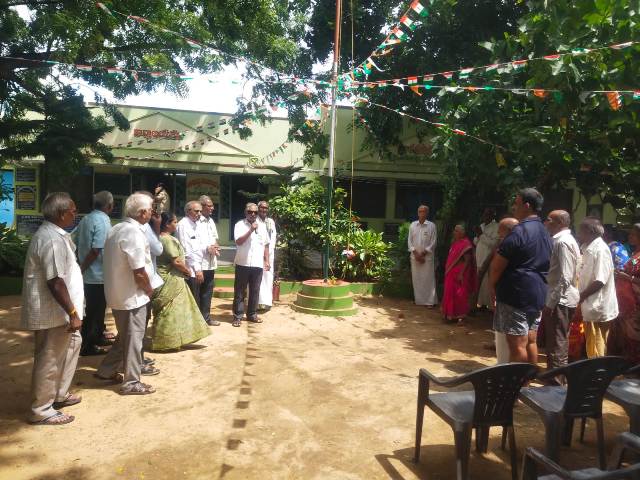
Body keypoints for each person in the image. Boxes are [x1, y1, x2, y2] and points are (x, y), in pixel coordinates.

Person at [22, 192, 83, 425]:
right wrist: (72, 313)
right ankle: (41, 410)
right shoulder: (51, 239)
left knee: (68, 348)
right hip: (53, 312)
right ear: (61, 213)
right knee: (49, 358)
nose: (75, 214)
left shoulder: (56, 235)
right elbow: (55, 281)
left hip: (61, 311)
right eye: (73, 211)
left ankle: (58, 394)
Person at [96, 192, 157, 395]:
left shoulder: (117, 228)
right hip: (132, 296)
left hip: (118, 293)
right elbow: (139, 271)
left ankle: (106, 370)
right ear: (142, 213)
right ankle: (131, 382)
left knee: (125, 337)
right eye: (150, 210)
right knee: (134, 340)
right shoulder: (133, 233)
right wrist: (149, 290)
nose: (152, 213)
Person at [490, 188, 552, 363]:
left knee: (517, 345)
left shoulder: (520, 231)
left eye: (516, 203)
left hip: (516, 294)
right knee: (531, 340)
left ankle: (518, 380)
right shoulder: (545, 232)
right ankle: (530, 378)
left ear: (527, 205)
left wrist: (492, 286)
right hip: (538, 292)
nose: (513, 207)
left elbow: (497, 266)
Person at [149, 213, 210, 350]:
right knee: (171, 309)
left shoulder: (158, 238)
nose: (177, 224)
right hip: (170, 278)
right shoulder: (168, 240)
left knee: (171, 309)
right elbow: (176, 261)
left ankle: (171, 340)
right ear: (167, 224)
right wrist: (187, 271)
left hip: (162, 278)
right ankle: (167, 342)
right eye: (175, 222)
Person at [74, 190, 113, 356]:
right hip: (97, 274)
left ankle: (97, 336)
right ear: (109, 206)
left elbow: (73, 241)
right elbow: (96, 249)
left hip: (90, 275)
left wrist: (80, 265)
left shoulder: (86, 219)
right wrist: (82, 267)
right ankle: (87, 345)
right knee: (94, 310)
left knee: (96, 309)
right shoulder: (103, 220)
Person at [542, 210, 581, 377]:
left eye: (549, 220)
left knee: (557, 342)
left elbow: (566, 276)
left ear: (559, 223)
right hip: (560, 298)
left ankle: (556, 381)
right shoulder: (561, 240)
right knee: (555, 341)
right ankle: (554, 377)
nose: (545, 223)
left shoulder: (563, 242)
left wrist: (551, 302)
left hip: (560, 300)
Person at [577, 217, 619, 358]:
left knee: (596, 345)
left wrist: (581, 296)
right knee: (592, 344)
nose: (578, 234)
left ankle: (598, 371)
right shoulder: (587, 248)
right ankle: (596, 369)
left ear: (589, 232)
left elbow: (600, 280)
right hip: (590, 305)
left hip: (597, 306)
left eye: (580, 231)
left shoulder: (600, 249)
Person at [233, 203, 270, 327]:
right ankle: (237, 316)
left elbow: (266, 244)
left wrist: (267, 260)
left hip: (257, 264)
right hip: (242, 263)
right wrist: (250, 230)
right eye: (250, 212)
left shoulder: (262, 226)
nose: (253, 214)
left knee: (255, 291)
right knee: (240, 291)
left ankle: (252, 315)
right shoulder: (239, 225)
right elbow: (239, 241)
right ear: (245, 212)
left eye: (255, 212)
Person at [608, 223, 640, 363]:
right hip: (625, 302)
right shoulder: (635, 253)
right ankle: (624, 363)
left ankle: (634, 365)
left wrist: (627, 277)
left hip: (635, 304)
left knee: (633, 334)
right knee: (623, 335)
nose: (629, 236)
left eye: (633, 234)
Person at [493, 217, 519, 364]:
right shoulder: (525, 243)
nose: (498, 235)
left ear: (509, 231)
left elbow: (497, 269)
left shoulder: (509, 244)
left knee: (505, 335)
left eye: (500, 232)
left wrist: (492, 287)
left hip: (508, 295)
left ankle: (503, 366)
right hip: (516, 294)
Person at [441, 225, 477, 324]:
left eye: (456, 231)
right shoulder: (455, 243)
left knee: (459, 295)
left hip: (459, 274)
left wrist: (461, 273)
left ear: (462, 233)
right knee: (449, 293)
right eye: (454, 230)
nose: (454, 232)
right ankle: (449, 315)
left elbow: (467, 260)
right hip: (450, 273)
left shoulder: (466, 244)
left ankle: (461, 317)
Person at [196, 195, 220, 326]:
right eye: (209, 206)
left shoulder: (211, 221)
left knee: (208, 292)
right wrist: (207, 248)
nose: (212, 208)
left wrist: (216, 247)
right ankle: (197, 321)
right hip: (199, 264)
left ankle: (206, 318)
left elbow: (215, 238)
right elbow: (193, 243)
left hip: (211, 263)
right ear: (202, 206)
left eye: (212, 205)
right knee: (197, 293)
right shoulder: (195, 222)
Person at [408, 205, 438, 307]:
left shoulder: (431, 226)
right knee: (417, 279)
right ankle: (419, 301)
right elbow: (409, 241)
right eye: (420, 211)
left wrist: (423, 254)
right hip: (415, 257)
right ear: (418, 213)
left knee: (428, 279)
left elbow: (433, 242)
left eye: (423, 211)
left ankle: (430, 302)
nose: (421, 213)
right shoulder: (413, 225)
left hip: (427, 258)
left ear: (427, 213)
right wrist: (416, 254)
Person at [176, 201, 205, 303]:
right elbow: (187, 250)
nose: (199, 214)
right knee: (192, 300)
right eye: (196, 211)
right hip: (190, 270)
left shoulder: (195, 224)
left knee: (197, 299)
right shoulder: (183, 225)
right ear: (188, 211)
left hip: (197, 268)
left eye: (200, 211)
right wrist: (197, 269)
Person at [474, 208, 499, 309]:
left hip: (488, 258)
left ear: (492, 216)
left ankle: (489, 306)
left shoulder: (496, 226)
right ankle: (480, 304)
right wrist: (478, 235)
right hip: (479, 257)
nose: (485, 217)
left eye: (488, 214)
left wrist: (481, 235)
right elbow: (475, 242)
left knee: (486, 283)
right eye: (484, 215)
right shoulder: (482, 226)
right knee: (479, 282)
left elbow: (494, 244)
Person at [257, 200, 277, 311]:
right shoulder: (255, 221)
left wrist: (270, 253)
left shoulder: (271, 222)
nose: (264, 210)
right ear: (258, 208)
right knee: (258, 278)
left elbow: (273, 238)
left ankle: (267, 302)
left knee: (268, 278)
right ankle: (257, 303)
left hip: (270, 254)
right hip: (258, 255)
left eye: (266, 208)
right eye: (262, 207)